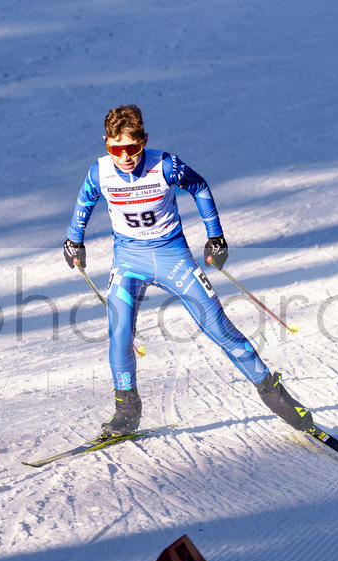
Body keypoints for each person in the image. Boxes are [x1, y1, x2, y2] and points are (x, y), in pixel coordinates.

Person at [63, 105, 314, 437]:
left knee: (219, 328)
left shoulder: (165, 165)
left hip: (173, 258)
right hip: (129, 261)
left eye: (133, 148)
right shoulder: (99, 173)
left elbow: (200, 187)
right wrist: (73, 241)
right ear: (106, 142)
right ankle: (126, 410)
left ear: (144, 141)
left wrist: (216, 236)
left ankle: (274, 394)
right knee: (120, 333)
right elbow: (84, 202)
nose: (125, 157)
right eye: (115, 149)